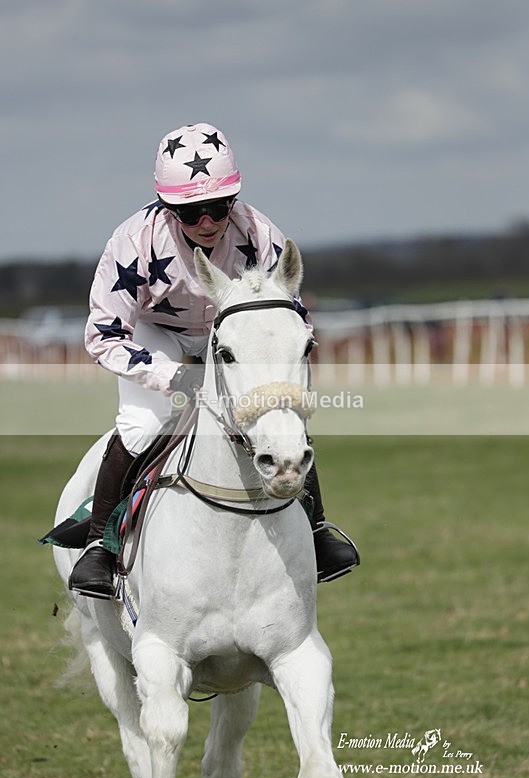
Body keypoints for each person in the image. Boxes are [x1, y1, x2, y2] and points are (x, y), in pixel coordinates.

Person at [69, 122, 358, 598]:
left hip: (235, 335)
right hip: (155, 332)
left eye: (218, 207)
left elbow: (288, 316)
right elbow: (102, 335)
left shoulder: (260, 232)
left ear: (234, 199)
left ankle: (317, 530)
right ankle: (101, 546)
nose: (207, 221)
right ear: (168, 207)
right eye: (190, 211)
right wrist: (172, 376)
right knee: (144, 422)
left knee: (278, 414)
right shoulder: (132, 242)